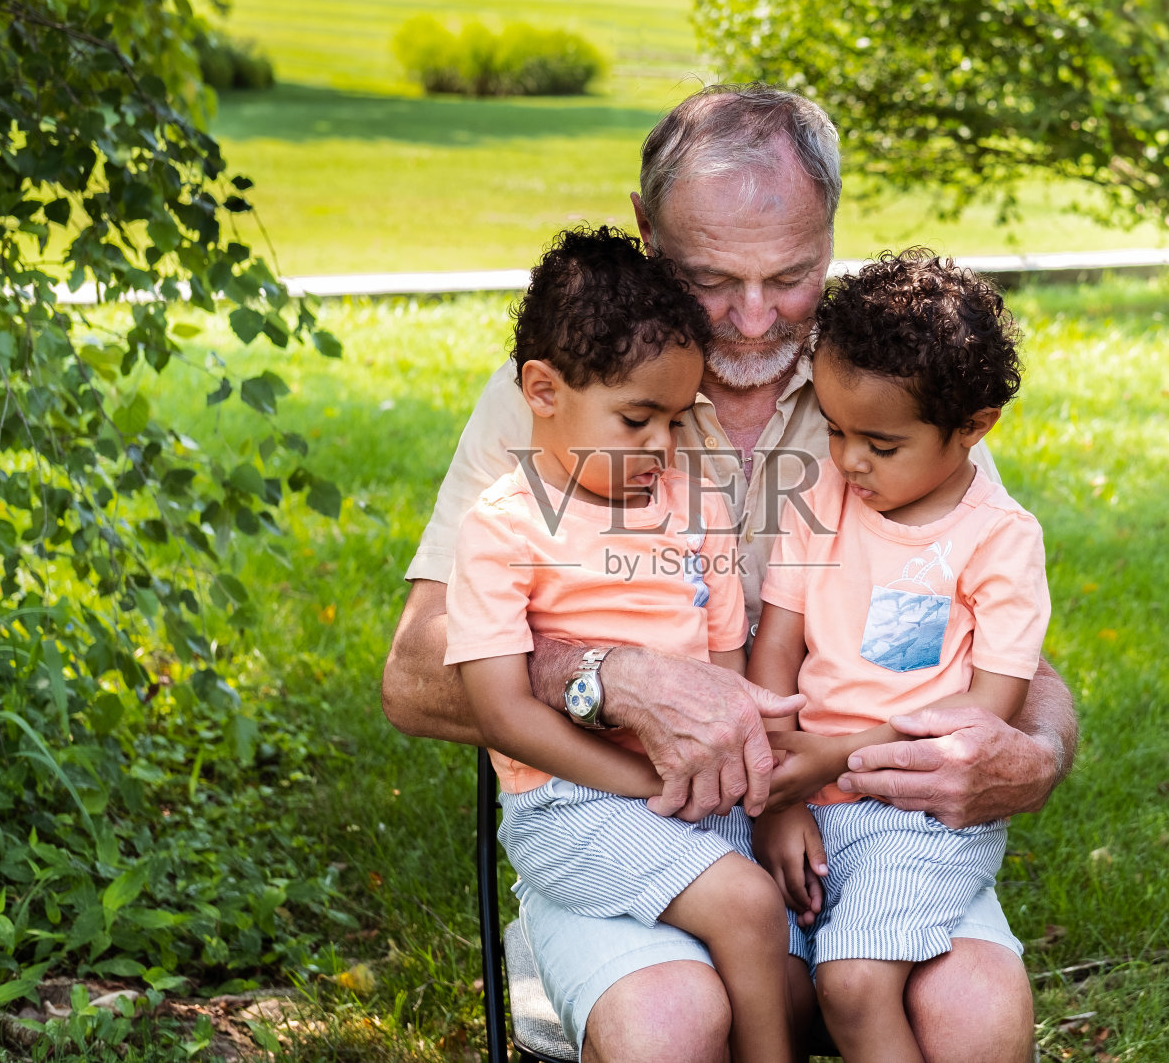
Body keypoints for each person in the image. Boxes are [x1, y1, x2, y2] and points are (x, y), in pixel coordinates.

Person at [382, 83, 1078, 1063]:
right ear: (645, 232)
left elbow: (997, 643)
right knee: (669, 1028)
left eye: (791, 275)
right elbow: (414, 673)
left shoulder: (888, 383)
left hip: (853, 824)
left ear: (832, 230)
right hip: (636, 816)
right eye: (711, 280)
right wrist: (603, 674)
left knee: (972, 1012)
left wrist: (1036, 756)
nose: (753, 321)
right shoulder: (566, 390)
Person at [444, 226, 790, 1063]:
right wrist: (648, 777)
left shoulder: (694, 505)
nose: (662, 447)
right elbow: (499, 711)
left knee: (785, 942)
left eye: (676, 419)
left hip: (693, 795)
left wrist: (750, 781)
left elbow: (726, 682)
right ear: (542, 389)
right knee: (746, 905)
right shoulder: (504, 525)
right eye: (637, 420)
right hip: (569, 805)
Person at [747, 252, 1049, 1063]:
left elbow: (990, 707)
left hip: (918, 813)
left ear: (975, 426)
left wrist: (835, 755)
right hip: (805, 800)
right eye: (837, 430)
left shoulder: (996, 539)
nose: (850, 460)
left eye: (879, 442)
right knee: (764, 979)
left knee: (850, 983)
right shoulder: (822, 499)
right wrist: (781, 794)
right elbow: (776, 643)